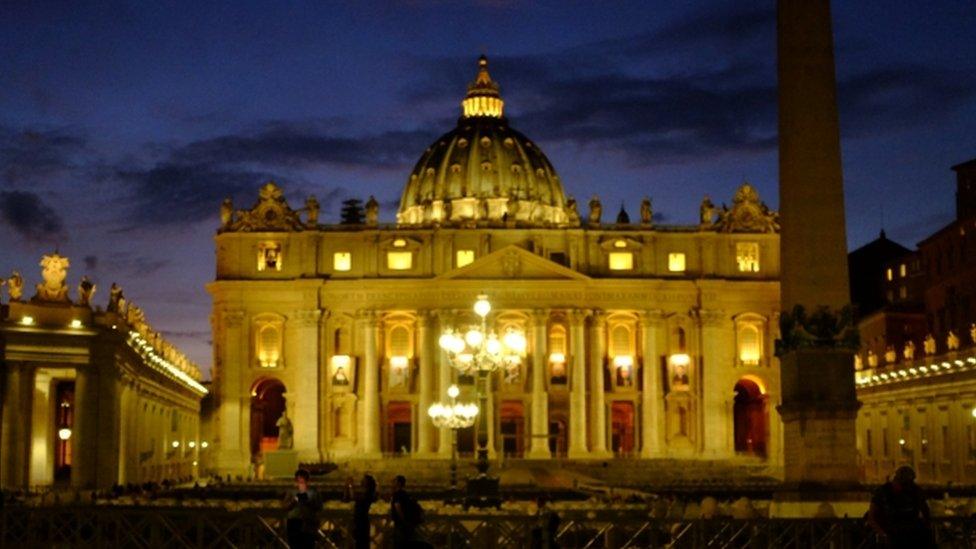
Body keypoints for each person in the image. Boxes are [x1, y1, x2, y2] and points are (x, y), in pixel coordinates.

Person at [867, 466, 934, 548]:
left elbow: (925, 512)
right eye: (904, 484)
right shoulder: (883, 492)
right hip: (890, 532)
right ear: (896, 481)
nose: (906, 488)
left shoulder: (915, 491)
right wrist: (882, 534)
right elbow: (871, 518)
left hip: (910, 533)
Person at [283, 469, 321, 549]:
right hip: (294, 521)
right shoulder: (291, 491)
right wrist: (294, 501)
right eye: (299, 481)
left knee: (308, 545)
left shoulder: (313, 492)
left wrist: (307, 502)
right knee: (294, 545)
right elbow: (285, 507)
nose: (300, 484)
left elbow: (318, 507)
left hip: (308, 522)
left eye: (302, 482)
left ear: (307, 481)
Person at [389, 475, 430, 548]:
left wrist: (403, 519)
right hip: (408, 523)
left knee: (399, 543)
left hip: (401, 524)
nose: (392, 483)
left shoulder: (397, 494)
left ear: (398, 483)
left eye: (394, 481)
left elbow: (398, 508)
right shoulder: (406, 494)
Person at [344, 474, 377, 549]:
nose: (361, 481)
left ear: (367, 483)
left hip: (362, 521)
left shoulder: (368, 493)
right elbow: (347, 498)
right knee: (360, 542)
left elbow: (353, 497)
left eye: (363, 480)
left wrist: (351, 486)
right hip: (360, 520)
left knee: (361, 543)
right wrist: (347, 487)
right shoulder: (365, 493)